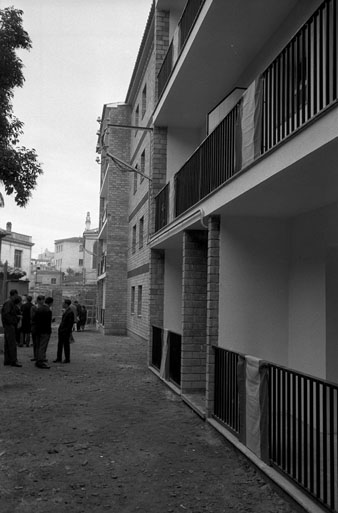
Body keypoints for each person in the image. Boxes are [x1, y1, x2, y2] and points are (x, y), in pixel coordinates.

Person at [1, 289, 22, 367]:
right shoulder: (9, 303)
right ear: (14, 295)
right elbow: (7, 315)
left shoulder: (8, 302)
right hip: (10, 325)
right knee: (12, 343)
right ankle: (13, 360)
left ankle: (8, 360)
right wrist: (15, 319)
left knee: (8, 343)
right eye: (16, 295)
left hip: (8, 325)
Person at [34, 296, 54, 369]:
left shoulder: (39, 309)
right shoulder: (48, 311)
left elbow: (35, 319)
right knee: (43, 346)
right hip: (45, 331)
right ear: (51, 303)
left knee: (38, 346)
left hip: (38, 330)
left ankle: (38, 359)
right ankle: (41, 361)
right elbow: (48, 322)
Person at [54, 299, 74, 363]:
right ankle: (59, 358)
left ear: (66, 304)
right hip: (62, 330)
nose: (62, 304)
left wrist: (67, 331)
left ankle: (67, 358)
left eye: (63, 303)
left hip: (65, 331)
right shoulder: (66, 311)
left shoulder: (70, 312)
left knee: (66, 345)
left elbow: (70, 324)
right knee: (60, 345)